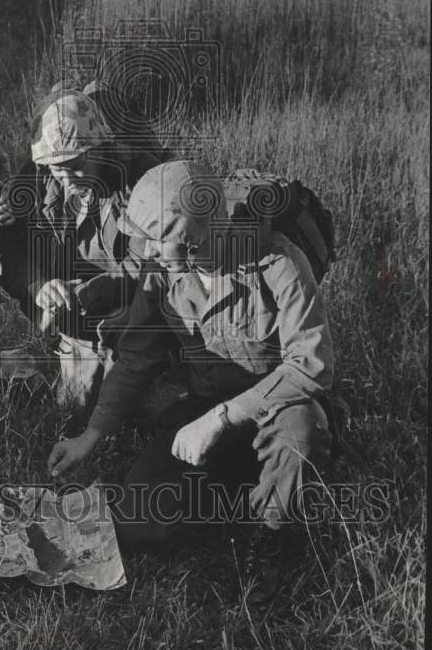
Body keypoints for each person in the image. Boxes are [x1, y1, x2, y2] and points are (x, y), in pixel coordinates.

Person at [47, 160, 335, 605]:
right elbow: (136, 360)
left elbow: (310, 366)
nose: (145, 250)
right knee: (139, 521)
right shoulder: (162, 273)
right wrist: (91, 435)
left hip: (275, 409)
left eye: (156, 240)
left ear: (196, 237)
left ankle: (273, 535)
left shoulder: (279, 263)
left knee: (302, 434)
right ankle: (242, 492)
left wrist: (221, 419)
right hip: (203, 408)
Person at [0, 88, 163, 415]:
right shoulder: (38, 176)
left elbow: (148, 263)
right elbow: (11, 249)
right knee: (75, 409)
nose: (67, 177)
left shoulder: (141, 177)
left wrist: (85, 292)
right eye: (58, 168)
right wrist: (38, 285)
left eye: (76, 164)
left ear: (99, 147)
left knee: (128, 408)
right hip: (68, 305)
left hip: (128, 302)